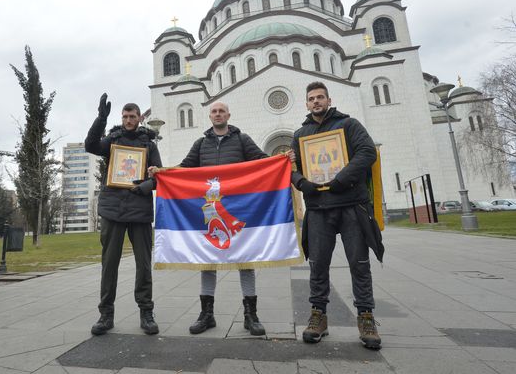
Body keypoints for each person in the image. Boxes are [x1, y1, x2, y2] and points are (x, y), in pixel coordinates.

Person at [152, 101, 269, 336]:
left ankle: (250, 315)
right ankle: (207, 315)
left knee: (245, 260)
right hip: (210, 211)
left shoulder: (242, 139)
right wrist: (163, 173)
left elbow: (262, 161)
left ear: (228, 115)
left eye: (221, 111)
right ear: (210, 116)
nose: (218, 115)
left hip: (238, 209)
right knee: (208, 260)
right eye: (214, 112)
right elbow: (185, 169)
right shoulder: (201, 143)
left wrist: (283, 160)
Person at [291, 81, 384, 350]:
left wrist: (342, 178)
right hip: (319, 209)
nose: (316, 102)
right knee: (318, 264)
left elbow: (367, 152)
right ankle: (318, 316)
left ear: (329, 100)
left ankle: (366, 317)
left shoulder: (348, 125)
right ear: (307, 104)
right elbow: (291, 166)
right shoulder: (300, 134)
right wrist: (301, 182)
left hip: (351, 204)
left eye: (320, 97)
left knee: (359, 262)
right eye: (312, 98)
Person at [85, 93, 162, 336]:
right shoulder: (112, 140)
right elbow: (90, 146)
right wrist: (100, 119)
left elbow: (159, 177)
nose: (129, 119)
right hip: (113, 210)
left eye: (133, 116)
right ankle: (105, 314)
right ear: (122, 118)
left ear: (140, 118)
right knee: (109, 264)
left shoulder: (150, 145)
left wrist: (146, 185)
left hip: (139, 210)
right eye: (125, 116)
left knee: (144, 264)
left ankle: (146, 312)